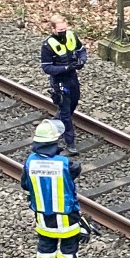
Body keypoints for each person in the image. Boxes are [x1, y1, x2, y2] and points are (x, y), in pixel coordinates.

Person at [21, 119, 86, 258]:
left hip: (42, 212)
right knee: (69, 242)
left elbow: (25, 186)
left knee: (46, 242)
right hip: (65, 213)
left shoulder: (29, 162)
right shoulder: (65, 164)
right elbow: (75, 169)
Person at [40, 14, 87, 156]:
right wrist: (65, 68)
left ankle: (54, 124)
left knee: (74, 102)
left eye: (64, 29)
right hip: (59, 80)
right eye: (60, 30)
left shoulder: (72, 36)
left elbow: (81, 50)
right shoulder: (47, 45)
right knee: (65, 112)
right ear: (53, 29)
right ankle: (70, 142)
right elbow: (47, 68)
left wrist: (82, 61)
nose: (63, 33)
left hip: (72, 77)